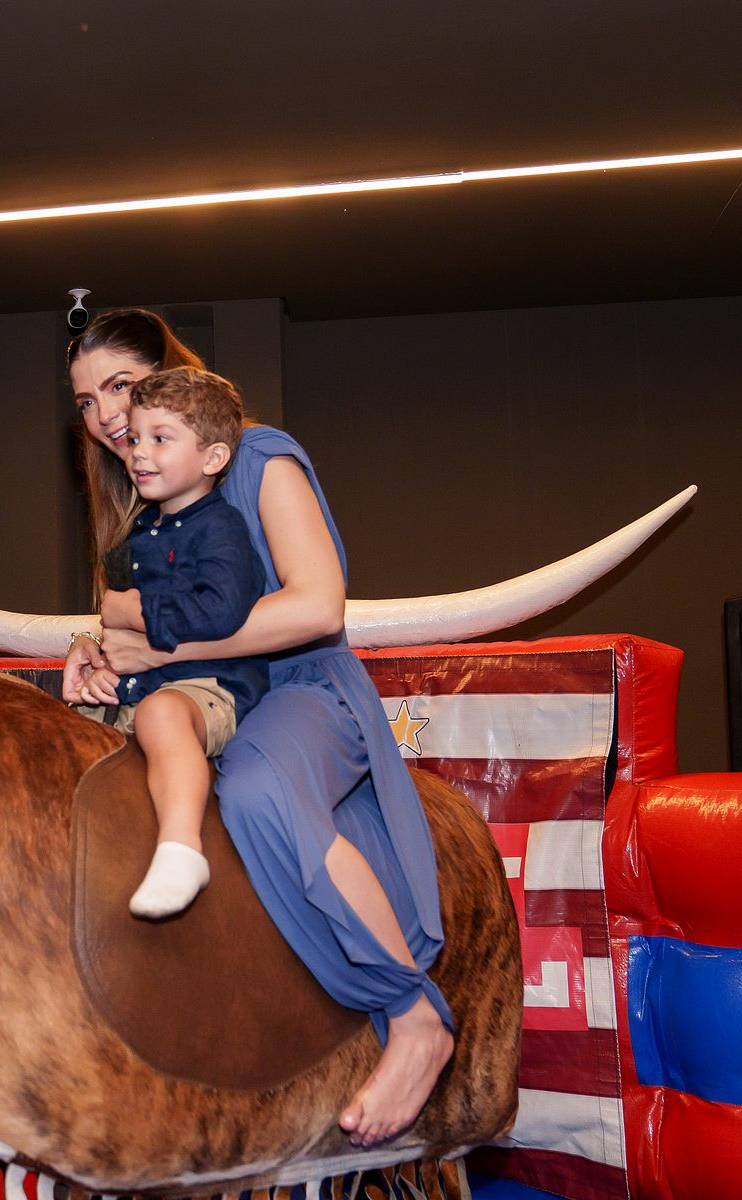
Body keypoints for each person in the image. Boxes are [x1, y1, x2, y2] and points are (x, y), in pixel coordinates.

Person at [61, 309, 454, 1147]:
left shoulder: (260, 457)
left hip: (299, 686)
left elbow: (316, 606)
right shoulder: (138, 505)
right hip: (190, 694)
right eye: (87, 402)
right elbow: (129, 621)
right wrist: (92, 652)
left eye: (121, 387)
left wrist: (159, 641)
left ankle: (413, 1013)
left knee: (257, 792)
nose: (106, 416)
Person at [74, 366, 269, 919]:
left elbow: (222, 611)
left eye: (161, 438)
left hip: (212, 687)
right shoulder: (143, 532)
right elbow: (126, 639)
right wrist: (108, 665)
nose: (139, 452)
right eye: (136, 438)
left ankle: (183, 849)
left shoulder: (222, 528)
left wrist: (131, 610)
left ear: (213, 458)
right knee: (71, 726)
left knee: (160, 716)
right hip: (148, 685)